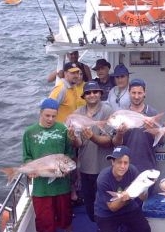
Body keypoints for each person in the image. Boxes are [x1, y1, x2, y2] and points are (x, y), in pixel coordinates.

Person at [23, 98, 74, 232]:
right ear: (40, 113)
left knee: (66, 219)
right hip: (41, 189)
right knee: (45, 224)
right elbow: (27, 156)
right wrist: (30, 169)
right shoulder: (29, 132)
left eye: (53, 116)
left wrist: (67, 168)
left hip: (62, 186)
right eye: (47, 115)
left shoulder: (63, 129)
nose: (50, 119)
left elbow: (69, 153)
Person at [68, 81, 114, 222]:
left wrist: (93, 137)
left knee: (107, 204)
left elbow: (109, 141)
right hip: (86, 167)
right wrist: (72, 139)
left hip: (104, 167)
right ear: (84, 96)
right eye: (88, 92)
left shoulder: (108, 111)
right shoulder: (77, 114)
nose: (92, 95)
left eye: (95, 92)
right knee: (90, 205)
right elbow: (79, 143)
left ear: (100, 94)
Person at [94, 146, 151, 232]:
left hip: (128, 207)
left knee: (145, 229)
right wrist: (125, 198)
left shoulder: (133, 171)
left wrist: (145, 187)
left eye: (125, 163)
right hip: (106, 212)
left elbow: (143, 198)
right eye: (119, 162)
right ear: (112, 162)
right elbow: (112, 207)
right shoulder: (103, 178)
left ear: (129, 163)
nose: (122, 166)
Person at [112, 78, 159, 172]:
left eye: (139, 93)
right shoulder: (121, 114)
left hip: (148, 166)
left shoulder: (152, 113)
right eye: (133, 93)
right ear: (129, 93)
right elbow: (115, 144)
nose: (136, 96)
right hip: (125, 168)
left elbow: (161, 140)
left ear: (145, 93)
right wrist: (120, 134)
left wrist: (152, 130)